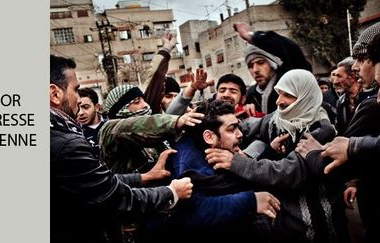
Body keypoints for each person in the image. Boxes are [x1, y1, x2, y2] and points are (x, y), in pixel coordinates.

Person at [50, 54, 193, 243]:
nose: (78, 98)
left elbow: (91, 183)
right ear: (54, 93)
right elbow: (114, 199)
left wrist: (144, 177)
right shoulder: (80, 139)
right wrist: (171, 193)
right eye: (76, 90)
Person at [206, 70, 349, 243]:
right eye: (279, 93)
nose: (279, 101)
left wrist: (237, 162)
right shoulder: (278, 119)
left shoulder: (321, 130)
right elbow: (246, 129)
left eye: (287, 95)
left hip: (319, 221)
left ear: (305, 96)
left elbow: (289, 172)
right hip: (284, 223)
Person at [297, 29, 380, 243]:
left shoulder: (373, 108)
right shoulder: (345, 104)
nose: (356, 67)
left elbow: (338, 164)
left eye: (363, 59)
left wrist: (315, 154)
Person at [148, 99, 280, 242]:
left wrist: (269, 152)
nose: (240, 134)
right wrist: (251, 201)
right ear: (209, 136)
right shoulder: (190, 166)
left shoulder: (210, 149)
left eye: (238, 127)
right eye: (231, 129)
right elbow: (198, 213)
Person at [234, 21, 312, 115]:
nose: (255, 70)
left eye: (260, 62)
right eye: (250, 66)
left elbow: (291, 49)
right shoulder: (251, 95)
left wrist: (253, 37)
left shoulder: (290, 81)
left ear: (272, 63)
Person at [166, 72, 258, 118]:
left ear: (243, 98)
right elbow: (170, 116)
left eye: (233, 91)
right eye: (222, 90)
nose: (226, 95)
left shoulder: (251, 115)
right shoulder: (202, 113)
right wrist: (192, 88)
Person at [76, 87, 107, 158]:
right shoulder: (75, 133)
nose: (80, 113)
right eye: (77, 108)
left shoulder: (111, 125)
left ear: (96, 107)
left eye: (85, 107)